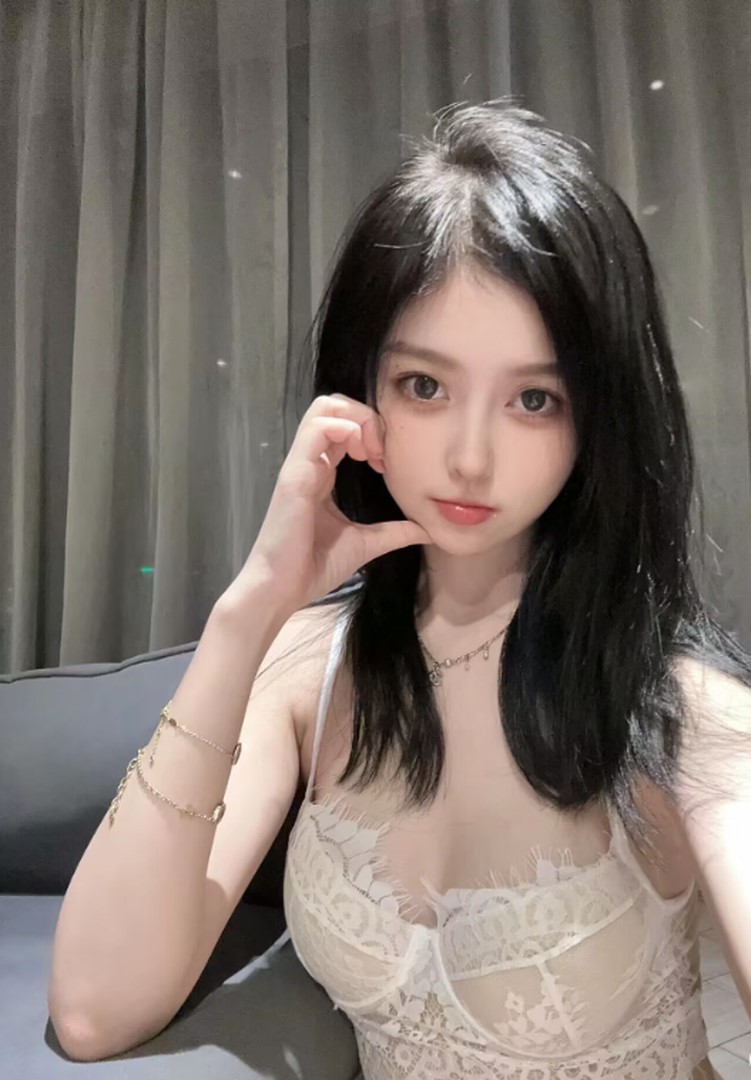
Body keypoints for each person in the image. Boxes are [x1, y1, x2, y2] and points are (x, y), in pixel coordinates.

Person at [48, 100, 751, 1078]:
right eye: (425, 386)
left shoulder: (681, 710)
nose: (469, 457)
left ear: (599, 417)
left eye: (534, 399)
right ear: (360, 390)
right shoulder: (308, 668)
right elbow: (93, 1009)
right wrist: (249, 609)